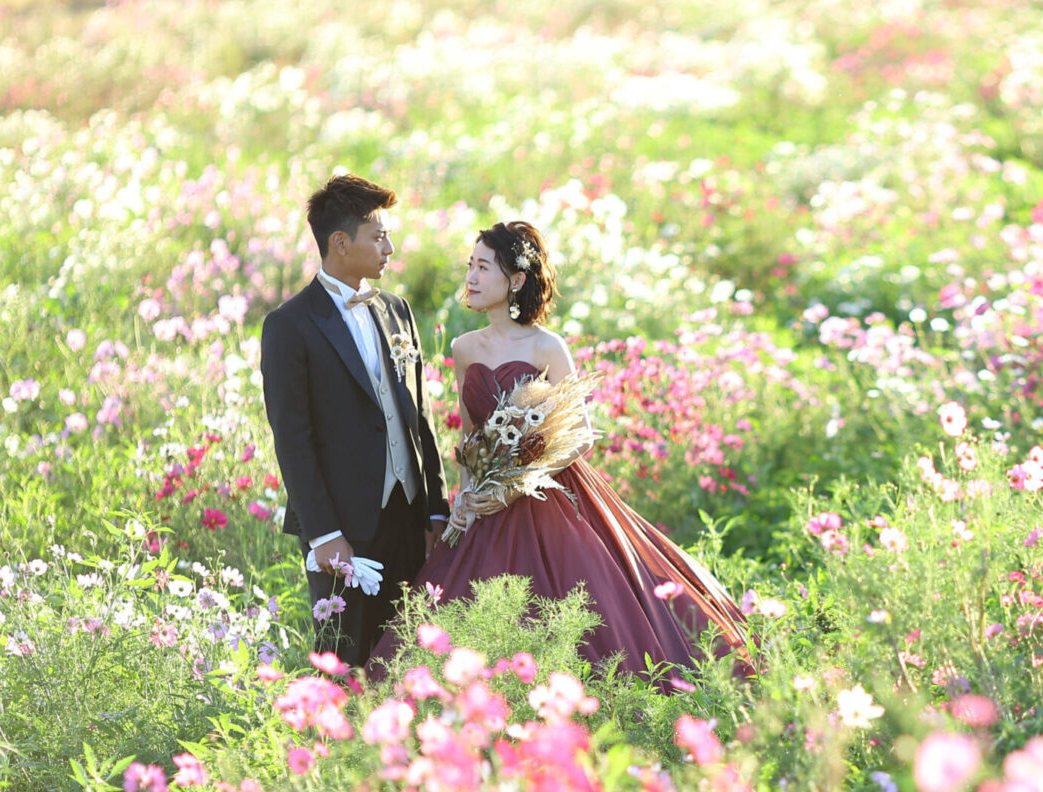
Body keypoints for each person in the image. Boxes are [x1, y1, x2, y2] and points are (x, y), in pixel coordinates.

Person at [372, 220, 750, 681]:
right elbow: (471, 441)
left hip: (545, 497)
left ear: (515, 281)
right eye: (469, 265)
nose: (470, 277)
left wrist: (515, 487)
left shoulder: (546, 346)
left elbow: (580, 436)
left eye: (483, 267)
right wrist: (464, 501)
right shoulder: (464, 347)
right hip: (484, 503)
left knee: (563, 602)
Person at [259, 173, 450, 667]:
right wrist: (323, 534)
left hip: (409, 516)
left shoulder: (397, 310)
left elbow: (419, 416)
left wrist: (435, 509)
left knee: (413, 657)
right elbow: (292, 437)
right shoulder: (290, 325)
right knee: (346, 661)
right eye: (378, 236)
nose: (390, 246)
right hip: (344, 528)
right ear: (340, 243)